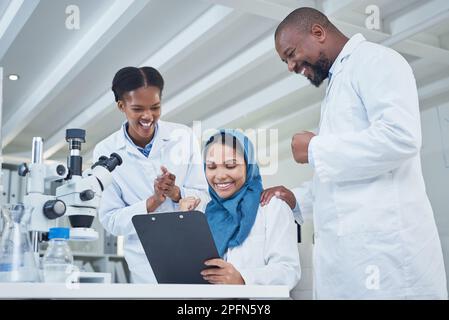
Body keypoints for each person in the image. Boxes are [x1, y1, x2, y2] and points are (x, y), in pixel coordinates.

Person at [263, 7, 448, 299]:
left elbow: (400, 138)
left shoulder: (376, 61)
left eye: (290, 53)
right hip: (353, 264)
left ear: (318, 33)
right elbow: (344, 180)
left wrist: (315, 148)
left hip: (389, 265)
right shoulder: (338, 85)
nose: (289, 66)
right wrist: (296, 198)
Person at [93, 66, 209, 283]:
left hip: (192, 254)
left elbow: (206, 198)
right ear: (121, 106)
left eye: (155, 107)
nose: (148, 116)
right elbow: (110, 219)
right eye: (137, 109)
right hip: (145, 265)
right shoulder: (105, 150)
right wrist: (152, 202)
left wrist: (176, 193)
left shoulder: (183, 136)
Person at [180, 130, 300, 290]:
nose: (220, 175)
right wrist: (183, 223)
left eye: (230, 165)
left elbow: (288, 270)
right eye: (211, 167)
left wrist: (243, 278)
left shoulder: (271, 207)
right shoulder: (201, 211)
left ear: (248, 166)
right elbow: (186, 273)